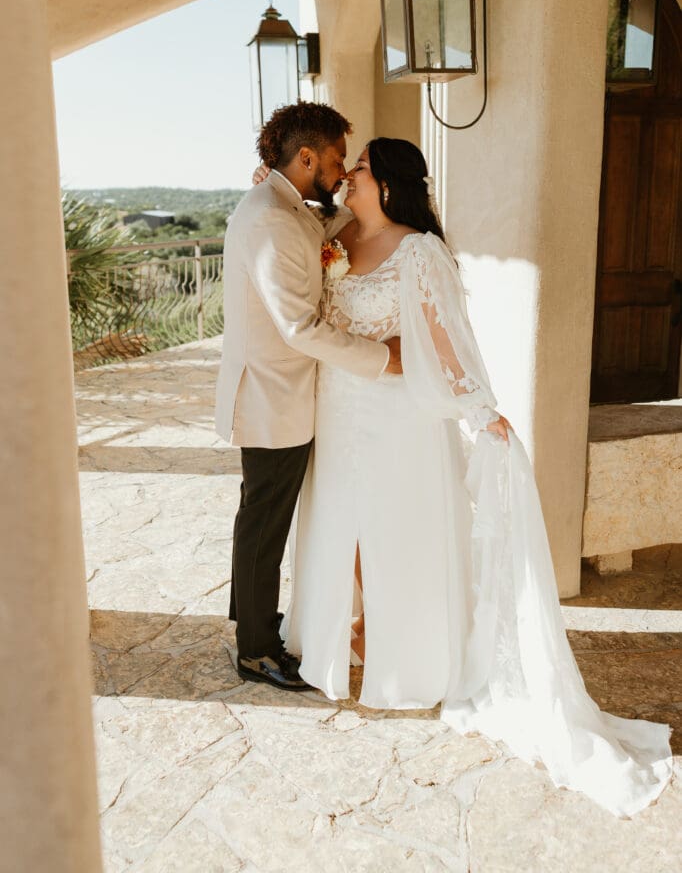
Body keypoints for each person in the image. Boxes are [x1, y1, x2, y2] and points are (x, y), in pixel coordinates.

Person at [275, 136, 672, 817]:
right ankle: (358, 632)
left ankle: (407, 655)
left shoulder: (419, 251)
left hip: (397, 422)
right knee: (341, 524)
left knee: (396, 532)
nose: (350, 177)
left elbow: (444, 341)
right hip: (338, 414)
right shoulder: (333, 237)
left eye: (362, 168)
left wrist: (479, 411)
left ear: (390, 184)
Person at [215, 103, 402, 693]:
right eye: (336, 159)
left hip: (280, 392)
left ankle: (252, 619)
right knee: (264, 524)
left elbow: (309, 238)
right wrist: (380, 358)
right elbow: (298, 326)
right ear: (306, 157)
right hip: (272, 396)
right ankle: (255, 653)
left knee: (260, 516)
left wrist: (349, 209)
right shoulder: (269, 216)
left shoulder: (283, 207)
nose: (342, 170)